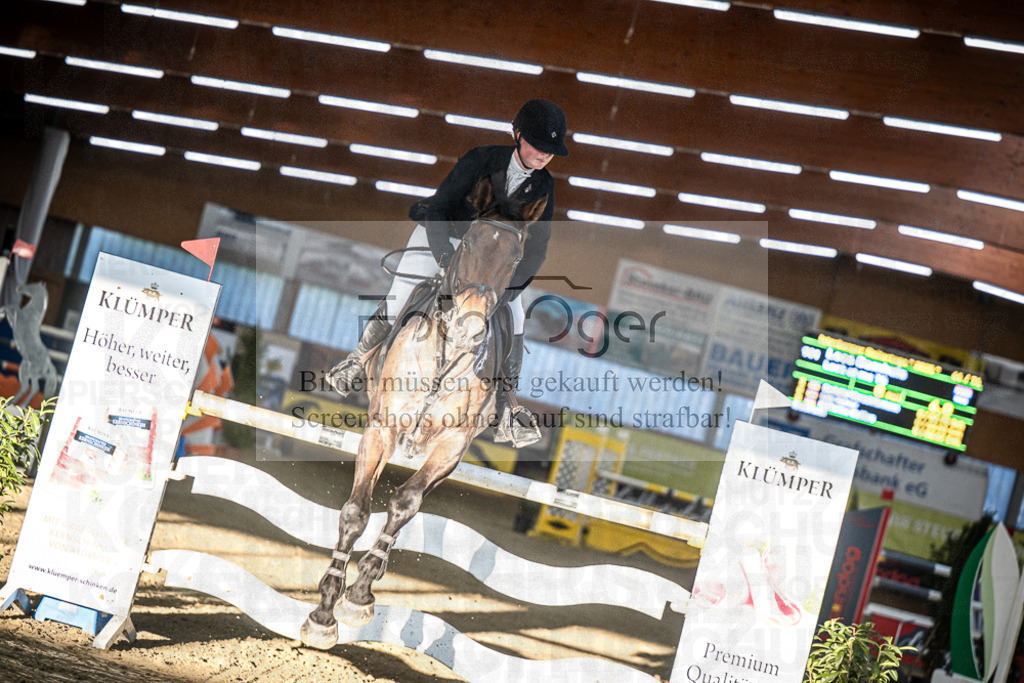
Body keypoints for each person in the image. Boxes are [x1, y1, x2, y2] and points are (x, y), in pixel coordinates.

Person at [327, 99, 568, 448]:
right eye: (538, 144)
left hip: (493, 268)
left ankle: (506, 408)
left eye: (551, 150)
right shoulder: (481, 159)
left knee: (516, 318)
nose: (545, 154)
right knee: (398, 299)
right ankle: (355, 361)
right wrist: (445, 258)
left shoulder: (544, 187)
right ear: (517, 135)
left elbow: (538, 248)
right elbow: (439, 208)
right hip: (444, 241)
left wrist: (508, 289)